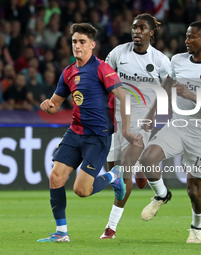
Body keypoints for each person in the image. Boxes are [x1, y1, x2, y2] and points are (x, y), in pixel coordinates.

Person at [37, 23, 140, 243]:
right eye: (74, 41)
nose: (77, 45)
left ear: (92, 45)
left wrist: (126, 130)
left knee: (82, 190)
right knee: (55, 177)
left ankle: (115, 176)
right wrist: (48, 105)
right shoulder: (68, 72)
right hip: (75, 132)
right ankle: (61, 233)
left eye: (82, 41)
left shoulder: (102, 69)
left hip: (97, 136)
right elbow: (56, 105)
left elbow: (125, 98)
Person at [139, 21, 201, 244]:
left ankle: (197, 226)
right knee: (147, 158)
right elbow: (165, 89)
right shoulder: (177, 60)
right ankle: (161, 194)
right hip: (177, 125)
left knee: (193, 192)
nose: (186, 41)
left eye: (192, 37)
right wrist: (151, 115)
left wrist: (191, 96)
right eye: (186, 37)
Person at [100, 13, 171, 239]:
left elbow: (167, 90)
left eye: (142, 28)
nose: (137, 31)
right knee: (112, 168)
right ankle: (161, 193)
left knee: (123, 169)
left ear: (151, 32)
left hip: (143, 122)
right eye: (134, 27)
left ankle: (110, 229)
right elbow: (102, 78)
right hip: (119, 120)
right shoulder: (118, 53)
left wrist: (152, 116)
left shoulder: (160, 60)